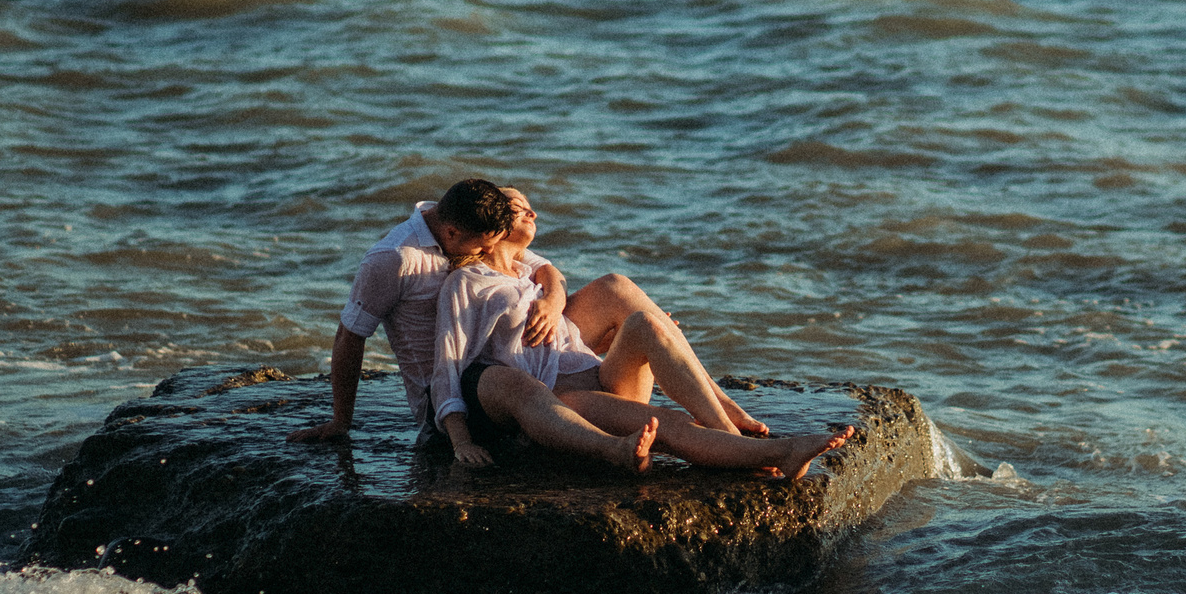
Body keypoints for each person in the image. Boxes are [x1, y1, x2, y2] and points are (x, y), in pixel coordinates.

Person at [291, 178, 767, 446]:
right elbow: (350, 335)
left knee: (617, 289)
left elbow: (540, 267)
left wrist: (554, 300)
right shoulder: (394, 261)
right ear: (453, 236)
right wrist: (341, 423)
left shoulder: (479, 221)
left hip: (521, 345)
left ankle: (720, 404)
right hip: (470, 378)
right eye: (484, 245)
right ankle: (607, 418)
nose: (492, 250)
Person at [432, 193, 851, 479]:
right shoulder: (466, 283)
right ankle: (781, 452)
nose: (531, 213)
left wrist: (560, 302)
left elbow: (553, 284)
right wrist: (460, 439)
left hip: (599, 375)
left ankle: (725, 425)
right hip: (565, 401)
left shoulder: (530, 271)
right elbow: (448, 363)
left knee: (647, 323)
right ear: (493, 226)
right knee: (666, 423)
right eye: (517, 207)